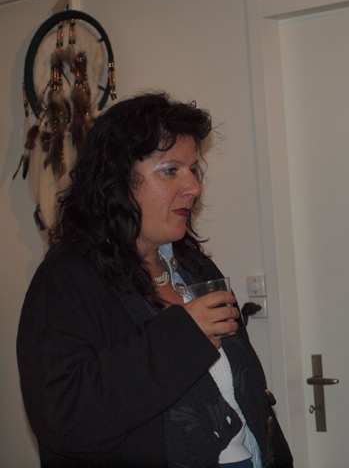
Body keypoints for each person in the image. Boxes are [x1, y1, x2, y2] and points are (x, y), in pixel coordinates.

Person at [16, 92, 293, 468]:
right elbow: (62, 417)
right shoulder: (67, 277)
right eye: (170, 170)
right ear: (116, 179)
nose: (193, 187)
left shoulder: (195, 268)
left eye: (192, 169)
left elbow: (248, 398)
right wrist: (182, 337)